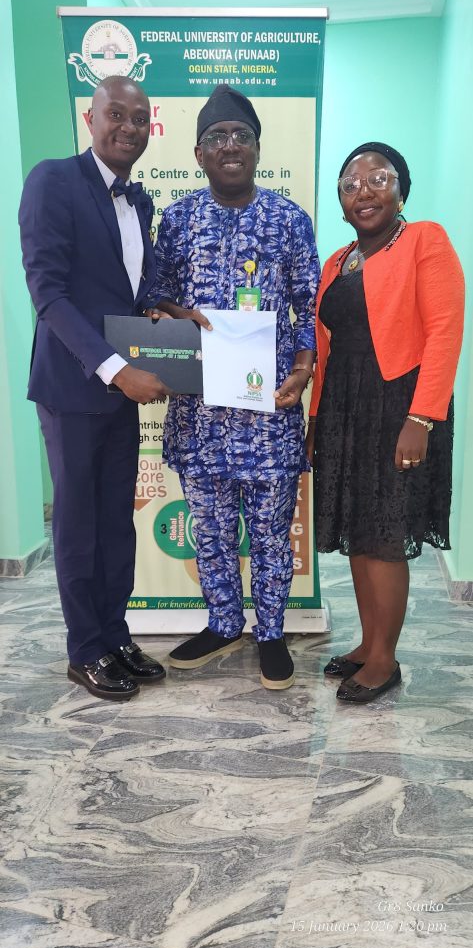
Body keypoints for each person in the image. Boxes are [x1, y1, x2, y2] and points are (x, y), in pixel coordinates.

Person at [145, 84, 320, 690]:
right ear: (198, 153)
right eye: (217, 137)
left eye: (240, 136)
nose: (229, 146)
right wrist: (176, 312)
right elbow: (154, 294)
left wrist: (301, 372)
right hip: (200, 414)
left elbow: (308, 309)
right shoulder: (180, 219)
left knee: (271, 531)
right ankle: (223, 622)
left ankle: (270, 631)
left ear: (257, 149)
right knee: (212, 528)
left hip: (270, 413)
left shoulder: (289, 220)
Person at [19, 76, 171, 702]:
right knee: (80, 522)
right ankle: (85, 650)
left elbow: (136, 288)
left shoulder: (141, 203)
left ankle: (114, 634)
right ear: (91, 116)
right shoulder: (53, 180)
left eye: (140, 119)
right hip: (76, 386)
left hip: (122, 390)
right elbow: (48, 292)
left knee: (116, 521)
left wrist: (168, 309)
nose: (129, 127)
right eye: (117, 114)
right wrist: (115, 369)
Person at [306, 141, 464, 703]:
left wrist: (421, 417)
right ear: (342, 203)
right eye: (350, 184)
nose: (363, 191)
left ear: (401, 189)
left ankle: (384, 659)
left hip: (399, 404)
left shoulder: (425, 239)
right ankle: (367, 642)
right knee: (357, 531)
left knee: (386, 534)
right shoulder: (337, 261)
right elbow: (327, 349)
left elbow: (445, 330)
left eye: (378, 179)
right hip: (345, 407)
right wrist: (316, 420)